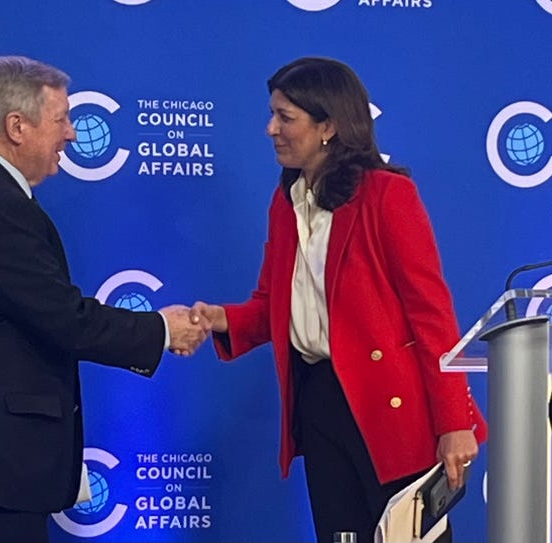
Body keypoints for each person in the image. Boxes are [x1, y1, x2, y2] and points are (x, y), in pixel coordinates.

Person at [0, 55, 209, 543]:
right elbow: (63, 317)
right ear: (16, 126)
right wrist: (162, 329)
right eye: (61, 118)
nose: (71, 133)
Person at [191, 57, 487, 543]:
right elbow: (273, 305)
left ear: (328, 125)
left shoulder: (388, 195)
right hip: (321, 400)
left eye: (285, 117)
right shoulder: (287, 202)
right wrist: (219, 318)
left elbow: (432, 316)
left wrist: (455, 422)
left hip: (391, 408)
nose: (270, 129)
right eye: (273, 115)